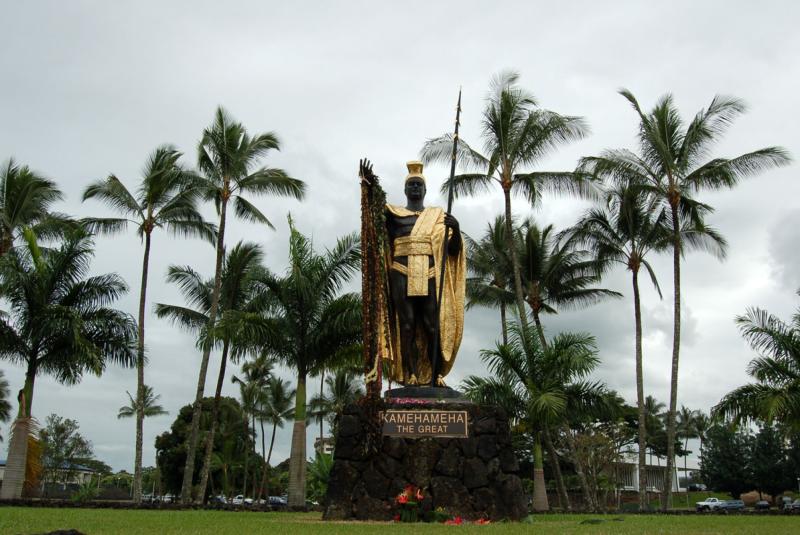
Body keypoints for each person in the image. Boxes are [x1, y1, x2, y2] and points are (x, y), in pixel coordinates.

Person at [360, 159, 465, 387]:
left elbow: (453, 250)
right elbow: (372, 217)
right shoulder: (392, 213)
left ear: (425, 190)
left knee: (431, 325)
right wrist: (368, 185)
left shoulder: (437, 216)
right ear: (405, 189)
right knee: (406, 325)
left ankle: (436, 374)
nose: (415, 188)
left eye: (419, 184)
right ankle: (412, 374)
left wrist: (455, 229)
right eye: (412, 184)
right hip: (401, 270)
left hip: (428, 272)